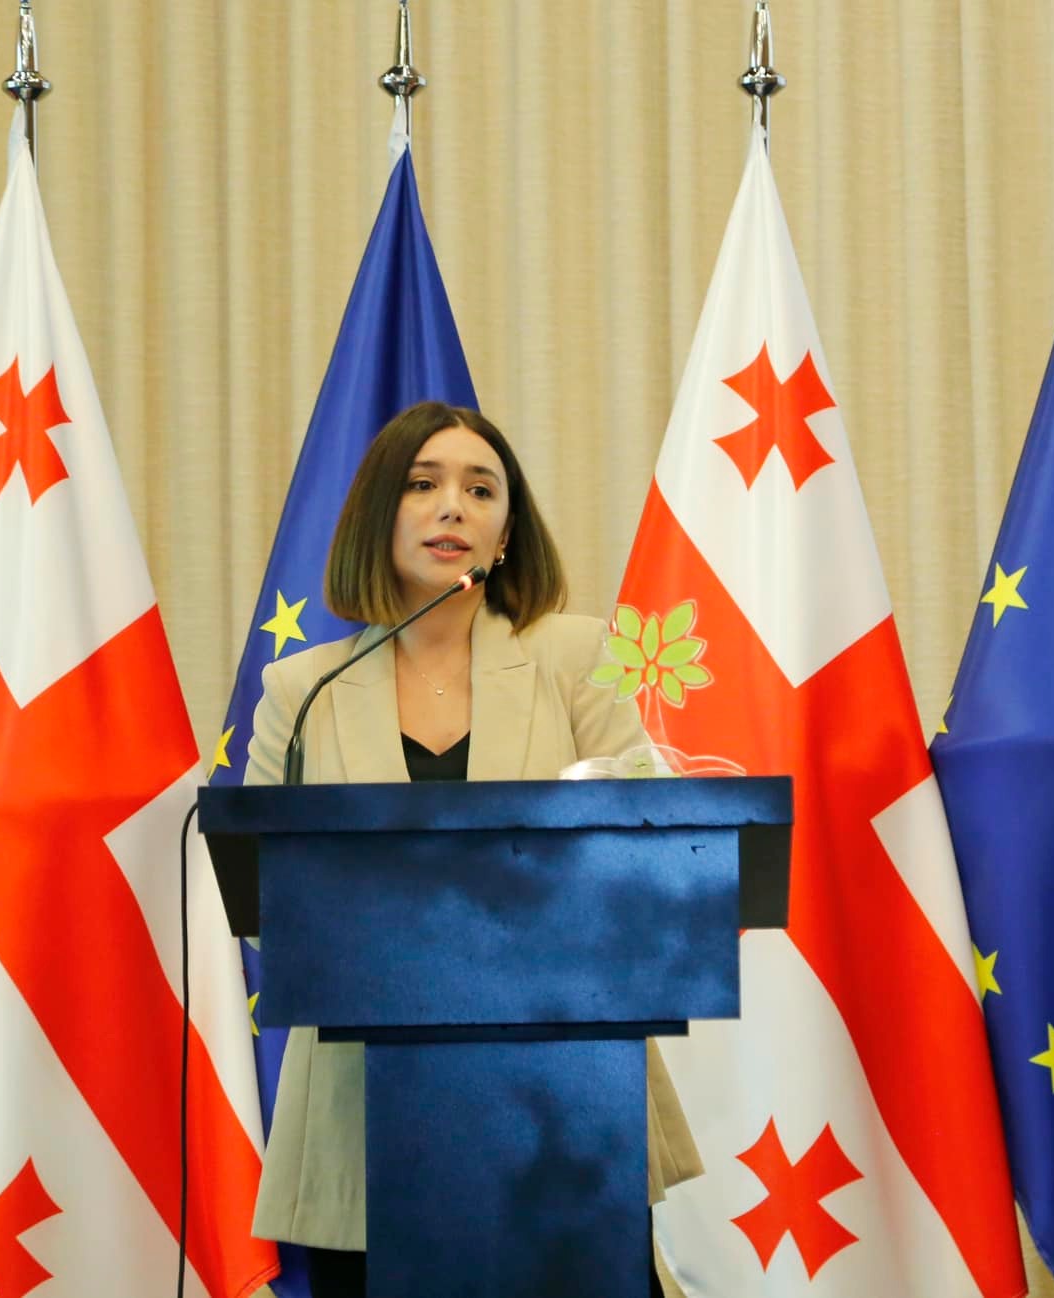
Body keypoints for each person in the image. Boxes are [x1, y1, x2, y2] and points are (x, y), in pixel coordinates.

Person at [243, 401, 701, 1298]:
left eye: (481, 490)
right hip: (362, 1108)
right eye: (423, 484)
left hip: (564, 1099)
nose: (453, 505)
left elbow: (650, 850)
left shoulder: (576, 655)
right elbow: (266, 901)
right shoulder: (303, 688)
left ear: (505, 535)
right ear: (378, 516)